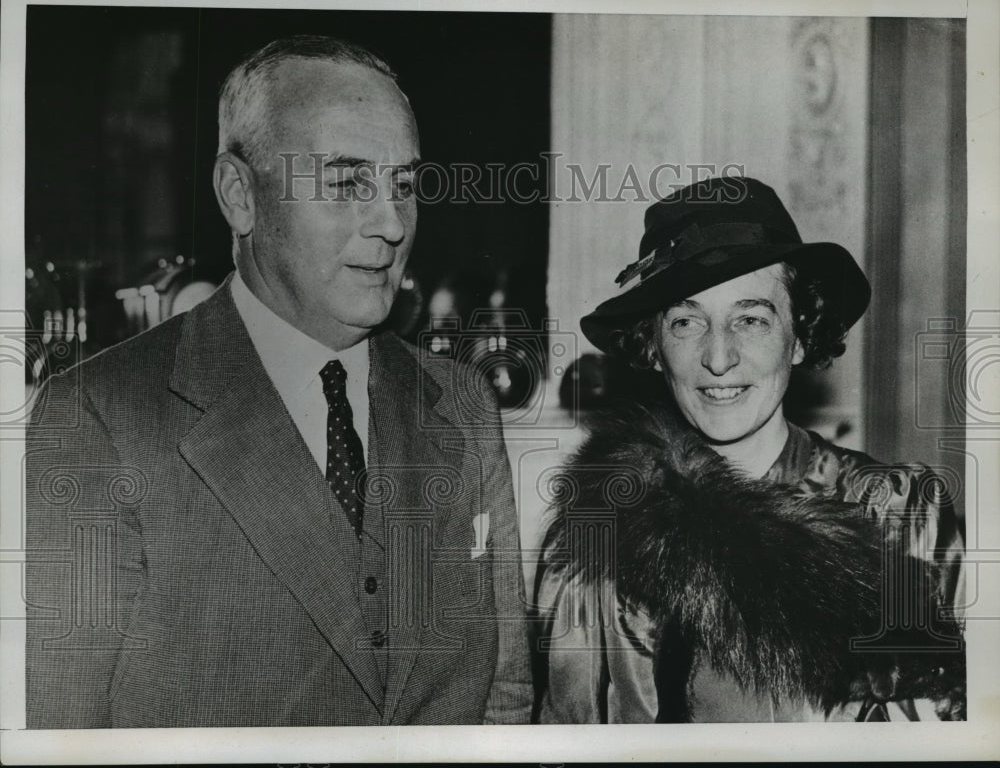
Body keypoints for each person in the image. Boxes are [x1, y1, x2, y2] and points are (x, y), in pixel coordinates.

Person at [25, 35, 532, 728]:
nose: (390, 223)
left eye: (405, 186)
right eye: (347, 182)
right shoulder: (103, 415)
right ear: (240, 195)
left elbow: (504, 698)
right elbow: (66, 733)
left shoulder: (463, 403)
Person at [532, 176, 966, 723]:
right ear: (655, 347)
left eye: (752, 319)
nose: (719, 357)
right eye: (687, 322)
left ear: (802, 335)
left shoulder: (900, 512)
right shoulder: (598, 535)